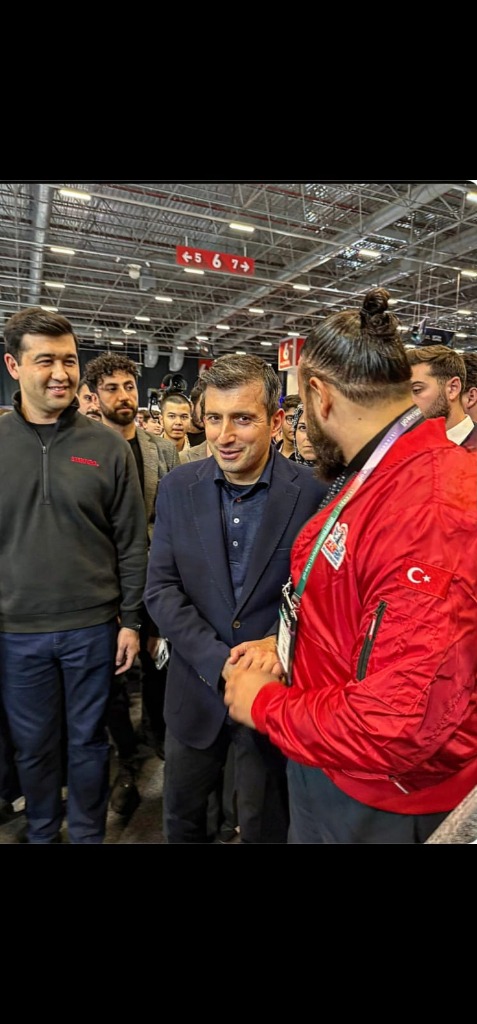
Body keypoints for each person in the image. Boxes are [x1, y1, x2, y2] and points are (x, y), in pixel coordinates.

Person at [223, 288, 477, 845]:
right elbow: (355, 601)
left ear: (319, 395)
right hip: (335, 762)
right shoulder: (382, 472)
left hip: (382, 796)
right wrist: (287, 647)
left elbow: (397, 725)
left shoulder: (426, 511)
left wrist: (265, 705)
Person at [145, 353, 327, 843]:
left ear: (276, 421)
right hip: (194, 693)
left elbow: (318, 597)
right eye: (214, 418)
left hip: (274, 696)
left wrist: (273, 650)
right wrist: (220, 661)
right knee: (183, 820)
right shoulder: (178, 488)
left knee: (266, 824)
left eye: (242, 419)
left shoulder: (313, 494)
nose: (224, 435)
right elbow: (160, 589)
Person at [0, 307, 147, 843]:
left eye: (69, 359)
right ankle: (42, 832)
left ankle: (86, 834)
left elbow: (132, 542)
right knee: (33, 744)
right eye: (46, 361)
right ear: (14, 366)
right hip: (15, 632)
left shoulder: (106, 447)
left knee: (88, 743)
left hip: (94, 630)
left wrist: (131, 619)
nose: (62, 373)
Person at [83, 353, 177, 812]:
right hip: (107, 581)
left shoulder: (163, 449)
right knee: (116, 677)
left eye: (129, 386)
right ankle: (127, 757)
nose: (124, 396)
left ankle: (157, 735)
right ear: (94, 397)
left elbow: (172, 516)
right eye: (113, 388)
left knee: (159, 661)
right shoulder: (86, 449)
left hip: (157, 574)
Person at [406, 345, 477, 447]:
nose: (406, 402)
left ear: (453, 388)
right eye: (403, 394)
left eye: (416, 390)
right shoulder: (403, 447)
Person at [275, 393, 301, 457]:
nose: (295, 425)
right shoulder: (269, 454)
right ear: (281, 419)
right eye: (290, 419)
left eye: (299, 419)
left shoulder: (310, 459)